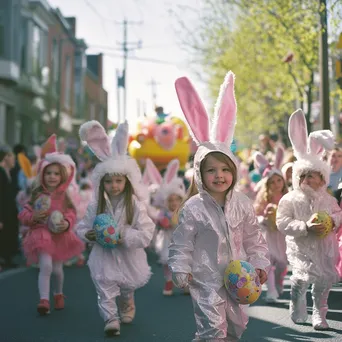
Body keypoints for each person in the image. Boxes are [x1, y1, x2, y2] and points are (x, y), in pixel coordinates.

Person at [169, 71, 270, 341]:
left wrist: (259, 262)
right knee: (213, 329)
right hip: (206, 278)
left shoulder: (242, 204)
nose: (219, 175)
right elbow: (182, 243)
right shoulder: (193, 207)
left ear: (234, 171)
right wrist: (181, 267)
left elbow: (253, 237)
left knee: (236, 329)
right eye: (211, 170)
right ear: (200, 174)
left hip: (238, 278)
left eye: (225, 169)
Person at [76, 121, 155, 337]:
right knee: (105, 286)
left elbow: (147, 232)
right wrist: (88, 234)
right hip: (103, 255)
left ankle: (128, 301)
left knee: (126, 286)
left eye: (118, 181)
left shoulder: (135, 206)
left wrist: (124, 235)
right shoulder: (95, 206)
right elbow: (81, 226)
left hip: (128, 255)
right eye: (109, 182)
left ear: (127, 181)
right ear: (102, 183)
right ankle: (111, 317)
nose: (114, 186)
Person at [276, 109, 342, 330]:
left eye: (311, 175)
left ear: (322, 178)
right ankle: (296, 303)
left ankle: (319, 314)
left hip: (324, 247)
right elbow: (282, 221)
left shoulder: (328, 199)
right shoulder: (290, 199)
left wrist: (331, 222)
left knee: (323, 281)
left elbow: (338, 214)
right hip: (301, 246)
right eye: (302, 175)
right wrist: (304, 226)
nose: (306, 179)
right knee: (300, 279)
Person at [18, 135, 84, 315]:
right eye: (48, 173)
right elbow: (23, 212)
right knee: (46, 266)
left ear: (62, 176)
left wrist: (67, 223)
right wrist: (33, 217)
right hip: (41, 233)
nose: (52, 177)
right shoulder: (37, 193)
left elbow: (72, 213)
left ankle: (58, 293)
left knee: (57, 270)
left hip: (59, 235)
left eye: (56, 173)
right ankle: (44, 299)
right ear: (42, 174)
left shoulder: (64, 196)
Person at [253, 147, 288, 302]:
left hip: (283, 235)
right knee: (269, 262)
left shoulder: (287, 197)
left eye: (279, 180)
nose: (276, 184)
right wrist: (264, 219)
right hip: (268, 234)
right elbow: (256, 216)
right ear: (267, 184)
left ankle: (280, 281)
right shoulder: (263, 198)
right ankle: (271, 291)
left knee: (282, 262)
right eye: (272, 182)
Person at [0, 145, 18, 270]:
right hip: (3, 213)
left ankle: (7, 259)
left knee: (8, 234)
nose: (14, 161)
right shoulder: (1, 173)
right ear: (6, 157)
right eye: (12, 157)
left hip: (9, 212)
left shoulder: (9, 172)